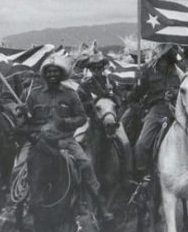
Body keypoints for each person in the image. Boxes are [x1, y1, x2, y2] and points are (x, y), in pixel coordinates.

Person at [21, 52, 113, 221]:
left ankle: (99, 204)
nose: (52, 74)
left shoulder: (71, 94)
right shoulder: (34, 95)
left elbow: (82, 117)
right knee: (20, 167)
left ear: (61, 74)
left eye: (55, 71)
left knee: (85, 164)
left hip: (65, 140)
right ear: (44, 74)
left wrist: (65, 122)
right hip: (39, 141)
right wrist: (28, 125)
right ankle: (16, 207)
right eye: (49, 71)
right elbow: (25, 121)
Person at [127, 45, 182, 205]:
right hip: (157, 110)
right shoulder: (147, 70)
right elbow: (135, 96)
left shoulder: (181, 69)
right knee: (141, 144)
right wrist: (135, 88)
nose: (176, 52)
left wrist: (176, 94)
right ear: (165, 53)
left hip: (179, 110)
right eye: (173, 50)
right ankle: (144, 179)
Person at [77, 48, 133, 180]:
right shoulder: (84, 86)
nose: (97, 70)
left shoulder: (111, 82)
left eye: (99, 67)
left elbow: (120, 101)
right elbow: (80, 105)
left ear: (103, 67)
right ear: (90, 69)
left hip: (110, 118)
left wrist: (112, 95)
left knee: (125, 143)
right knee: (77, 140)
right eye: (94, 68)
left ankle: (127, 175)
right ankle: (77, 175)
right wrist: (94, 102)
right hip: (90, 119)